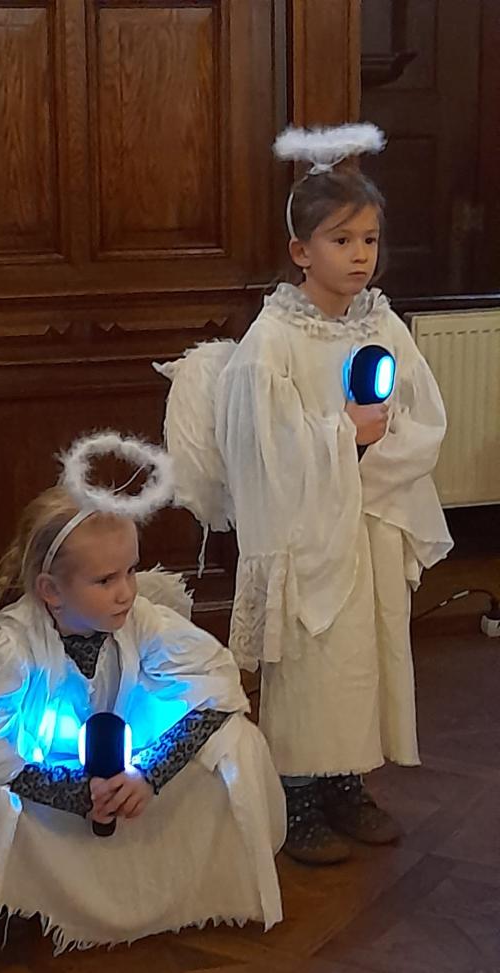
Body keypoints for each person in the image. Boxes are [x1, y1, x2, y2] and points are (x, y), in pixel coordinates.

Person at [157, 124, 453, 866]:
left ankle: (346, 781)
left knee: (360, 660)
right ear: (301, 251)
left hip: (366, 520)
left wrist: (374, 448)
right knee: (314, 663)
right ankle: (297, 792)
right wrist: (342, 436)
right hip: (305, 532)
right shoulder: (273, 341)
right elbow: (262, 448)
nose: (359, 255)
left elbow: (423, 417)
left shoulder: (381, 323)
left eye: (369, 240)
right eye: (341, 240)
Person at [0, 432, 285, 973]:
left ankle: (182, 890)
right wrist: (78, 793)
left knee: (238, 740)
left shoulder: (144, 624)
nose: (125, 592)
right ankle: (17, 906)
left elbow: (214, 690)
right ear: (51, 589)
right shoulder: (7, 652)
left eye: (131, 572)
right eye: (105, 579)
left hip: (128, 779)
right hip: (49, 793)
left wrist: (148, 775)